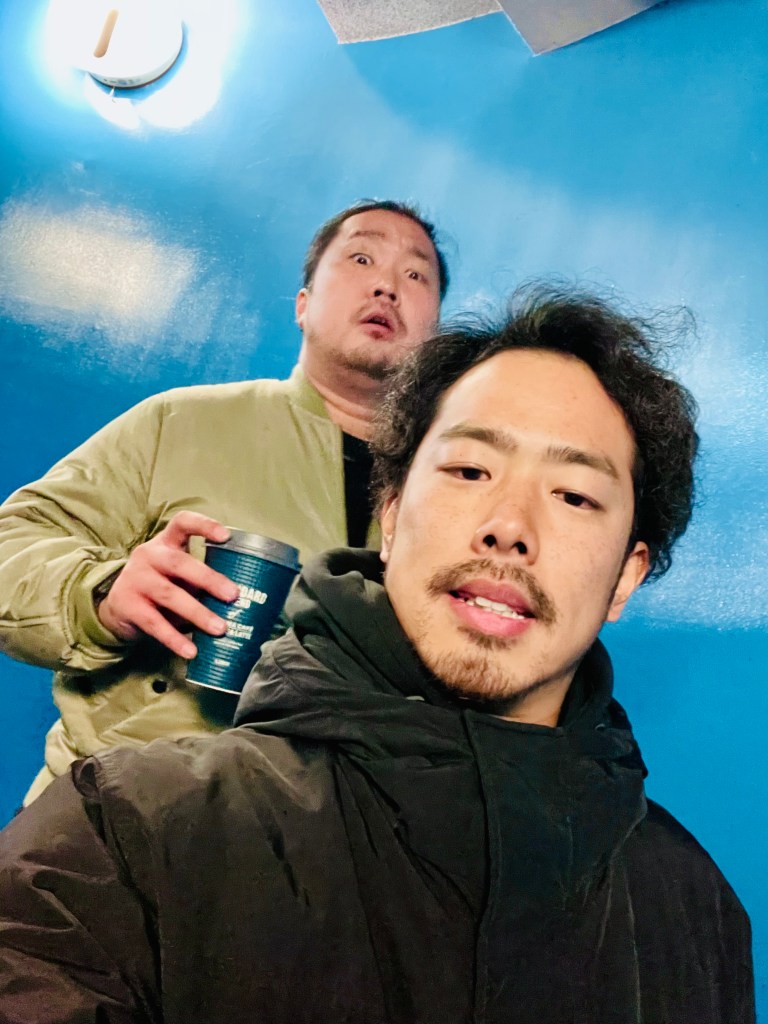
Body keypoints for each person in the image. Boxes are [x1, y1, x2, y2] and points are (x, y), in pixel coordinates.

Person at [0, 285, 754, 1023]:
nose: (509, 525)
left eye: (575, 496)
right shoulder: (118, 837)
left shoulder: (698, 916)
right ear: (389, 518)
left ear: (625, 577)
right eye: (470, 471)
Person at [0, 199, 448, 804]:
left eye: (416, 274)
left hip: (323, 842)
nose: (387, 286)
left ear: (436, 334)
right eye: (361, 258)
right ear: (303, 304)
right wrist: (101, 594)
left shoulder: (457, 494)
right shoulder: (180, 421)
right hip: (112, 813)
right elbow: (13, 542)